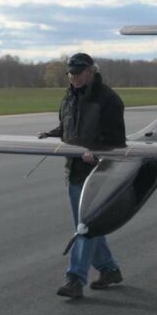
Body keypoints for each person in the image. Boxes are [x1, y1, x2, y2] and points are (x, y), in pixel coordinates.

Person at [39, 53, 126, 299]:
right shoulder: (69, 97)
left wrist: (96, 152)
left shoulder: (108, 99)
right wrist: (50, 135)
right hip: (74, 171)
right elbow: (67, 129)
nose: (73, 77)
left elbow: (116, 139)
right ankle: (109, 269)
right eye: (70, 73)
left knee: (84, 225)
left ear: (91, 72)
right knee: (86, 225)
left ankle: (75, 279)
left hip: (98, 173)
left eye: (78, 73)